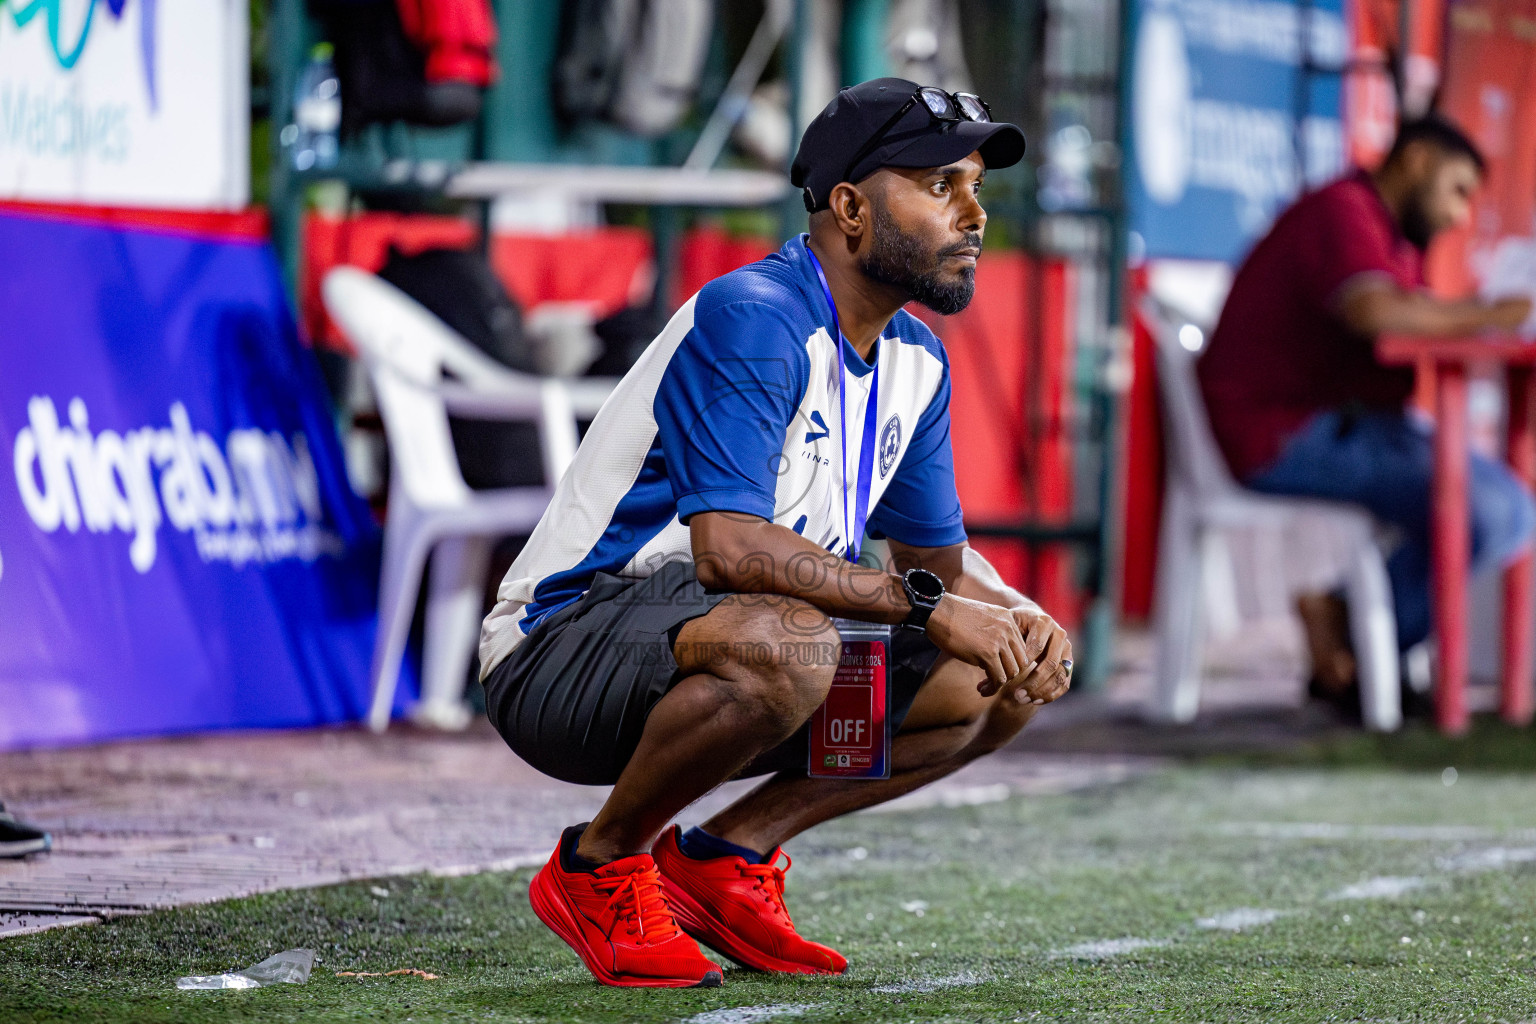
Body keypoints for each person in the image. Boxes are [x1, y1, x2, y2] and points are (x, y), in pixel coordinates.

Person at [477, 78, 1073, 988]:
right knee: (791, 645)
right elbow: (729, 551)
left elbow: (936, 572)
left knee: (990, 682)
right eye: (941, 185)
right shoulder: (755, 315)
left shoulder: (915, 357)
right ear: (850, 208)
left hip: (740, 639)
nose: (973, 213)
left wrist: (1018, 620)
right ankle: (598, 867)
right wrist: (933, 607)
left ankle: (725, 859)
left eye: (977, 188)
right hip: (563, 643)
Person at [1198, 115, 1536, 711]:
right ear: (1417, 161)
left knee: (1507, 509)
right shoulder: (1345, 209)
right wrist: (1492, 312)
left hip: (1348, 421)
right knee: (1488, 511)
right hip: (1283, 432)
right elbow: (1376, 314)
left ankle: (1346, 632)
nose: (1461, 216)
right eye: (1457, 189)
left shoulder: (1386, 231)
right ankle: (1357, 650)